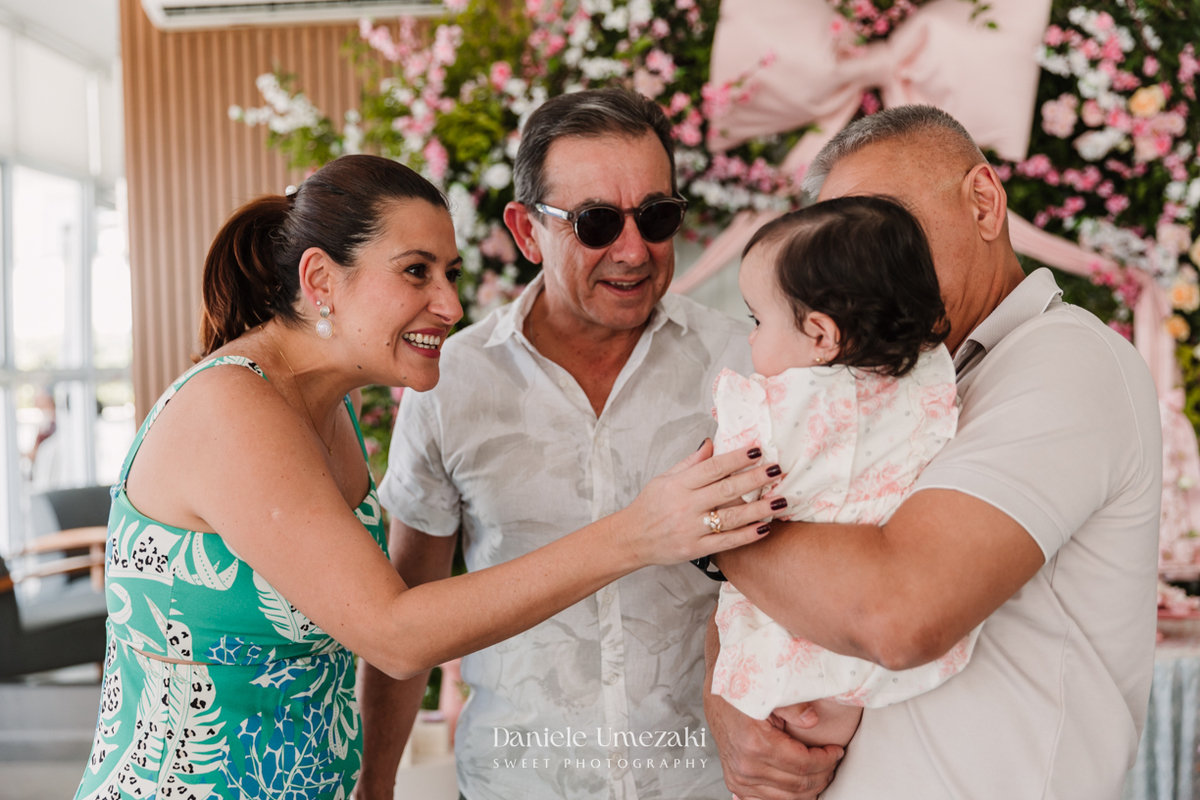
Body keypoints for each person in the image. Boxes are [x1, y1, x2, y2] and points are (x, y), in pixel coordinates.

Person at [72, 154, 781, 800]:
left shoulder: (325, 410)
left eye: (449, 273)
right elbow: (395, 629)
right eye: (416, 272)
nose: (449, 305)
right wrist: (636, 534)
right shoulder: (232, 408)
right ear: (321, 280)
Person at [359, 88, 842, 800]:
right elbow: (409, 617)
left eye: (656, 217)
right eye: (595, 223)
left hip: (711, 785)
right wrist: (375, 786)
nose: (633, 250)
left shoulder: (748, 365)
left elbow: (815, 578)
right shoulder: (449, 381)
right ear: (526, 232)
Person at [704, 105, 1162, 800]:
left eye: (883, 225)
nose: (858, 267)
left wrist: (709, 525)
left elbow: (898, 614)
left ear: (983, 201)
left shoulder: (1066, 358)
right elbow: (776, 591)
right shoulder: (867, 388)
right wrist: (731, 710)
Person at [710, 195, 970, 752]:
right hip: (884, 668)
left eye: (758, 319)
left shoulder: (776, 408)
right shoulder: (931, 381)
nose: (751, 336)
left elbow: (719, 490)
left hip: (789, 637)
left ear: (822, 337)